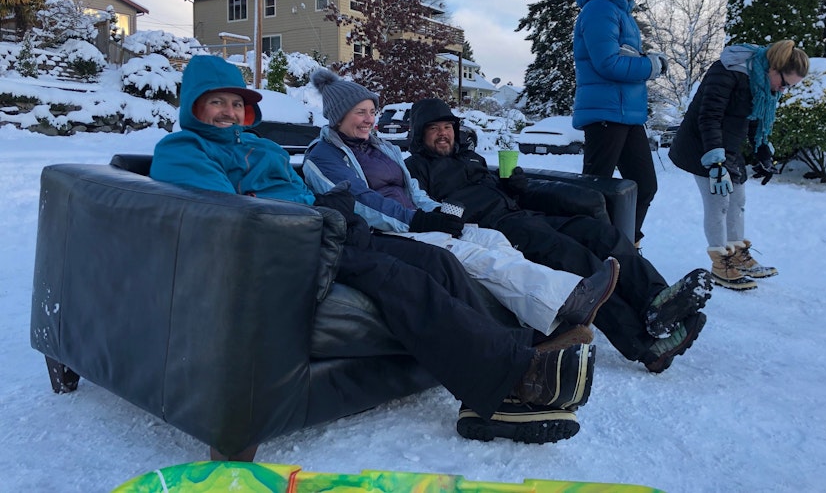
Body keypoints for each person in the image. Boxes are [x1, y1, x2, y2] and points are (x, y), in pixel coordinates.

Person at [148, 55, 598, 446]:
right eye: (216, 102)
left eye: (236, 103)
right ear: (194, 106)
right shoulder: (181, 150)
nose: (228, 112)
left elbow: (300, 191)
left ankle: (499, 368)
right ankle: (513, 381)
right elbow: (223, 211)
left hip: (329, 226)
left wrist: (330, 208)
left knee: (436, 259)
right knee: (397, 279)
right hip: (286, 243)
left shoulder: (263, 146)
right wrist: (318, 209)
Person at [303, 68, 620, 343]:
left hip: (417, 221)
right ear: (339, 115)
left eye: (372, 111)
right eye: (361, 112)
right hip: (388, 233)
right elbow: (362, 202)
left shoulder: (382, 147)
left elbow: (412, 189)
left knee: (493, 239)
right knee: (471, 255)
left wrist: (439, 212)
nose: (370, 119)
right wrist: (420, 222)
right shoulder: (323, 156)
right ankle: (569, 298)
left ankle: (543, 320)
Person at [405, 97, 712, 374]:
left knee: (603, 235)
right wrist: (456, 212)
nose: (444, 133)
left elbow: (498, 189)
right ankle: (645, 345)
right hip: (492, 230)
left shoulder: (470, 159)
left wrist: (514, 186)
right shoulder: (414, 169)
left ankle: (657, 301)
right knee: (577, 261)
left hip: (523, 215)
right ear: (420, 133)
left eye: (448, 126)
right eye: (434, 128)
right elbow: (422, 208)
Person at [668, 40, 809, 291]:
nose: (783, 90)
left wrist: (762, 149)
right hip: (702, 144)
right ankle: (720, 263)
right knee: (719, 202)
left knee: (738, 199)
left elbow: (754, 116)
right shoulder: (728, 70)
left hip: (728, 145)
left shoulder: (761, 80)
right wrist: (715, 160)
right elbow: (709, 116)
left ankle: (737, 255)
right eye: (785, 83)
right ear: (774, 68)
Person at [573, 0, 667, 249]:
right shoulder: (599, 8)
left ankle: (624, 247)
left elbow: (619, 58)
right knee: (593, 192)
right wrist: (649, 65)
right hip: (605, 113)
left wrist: (639, 60)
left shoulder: (620, 11)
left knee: (643, 186)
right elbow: (608, 63)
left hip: (627, 114)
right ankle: (590, 252)